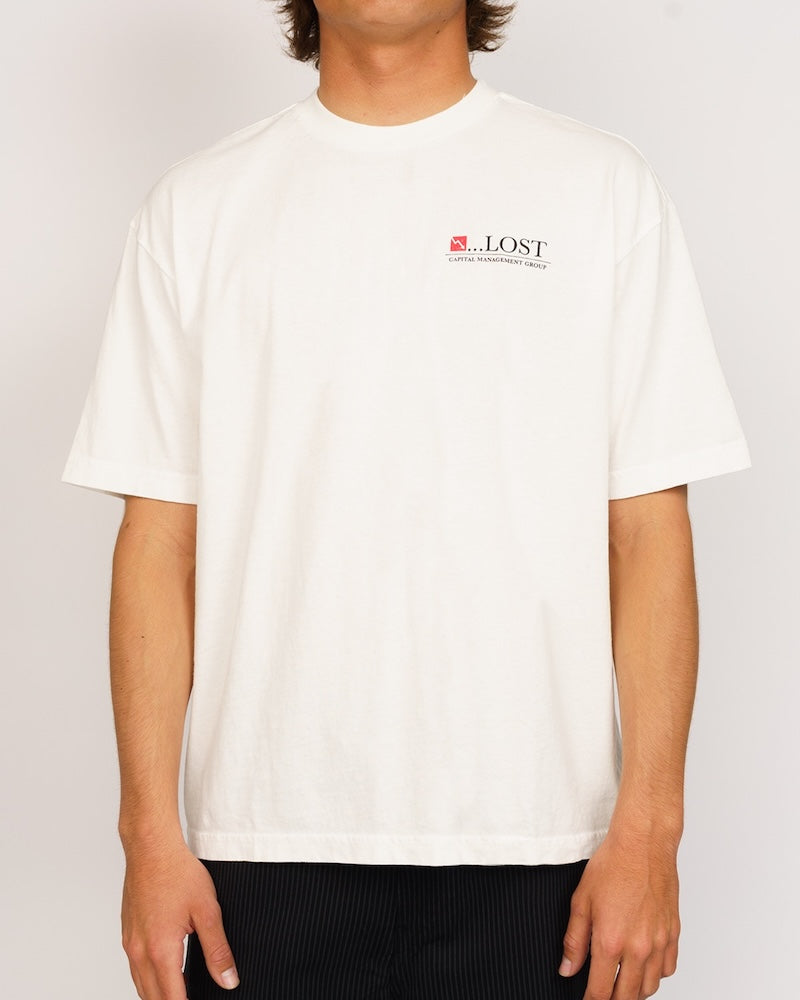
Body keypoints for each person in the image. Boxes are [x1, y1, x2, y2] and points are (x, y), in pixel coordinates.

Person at [61, 2, 752, 998]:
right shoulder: (196, 208)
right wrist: (147, 837)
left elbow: (646, 532)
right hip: (259, 847)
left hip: (540, 845)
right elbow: (158, 541)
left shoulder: (600, 190)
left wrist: (650, 830)